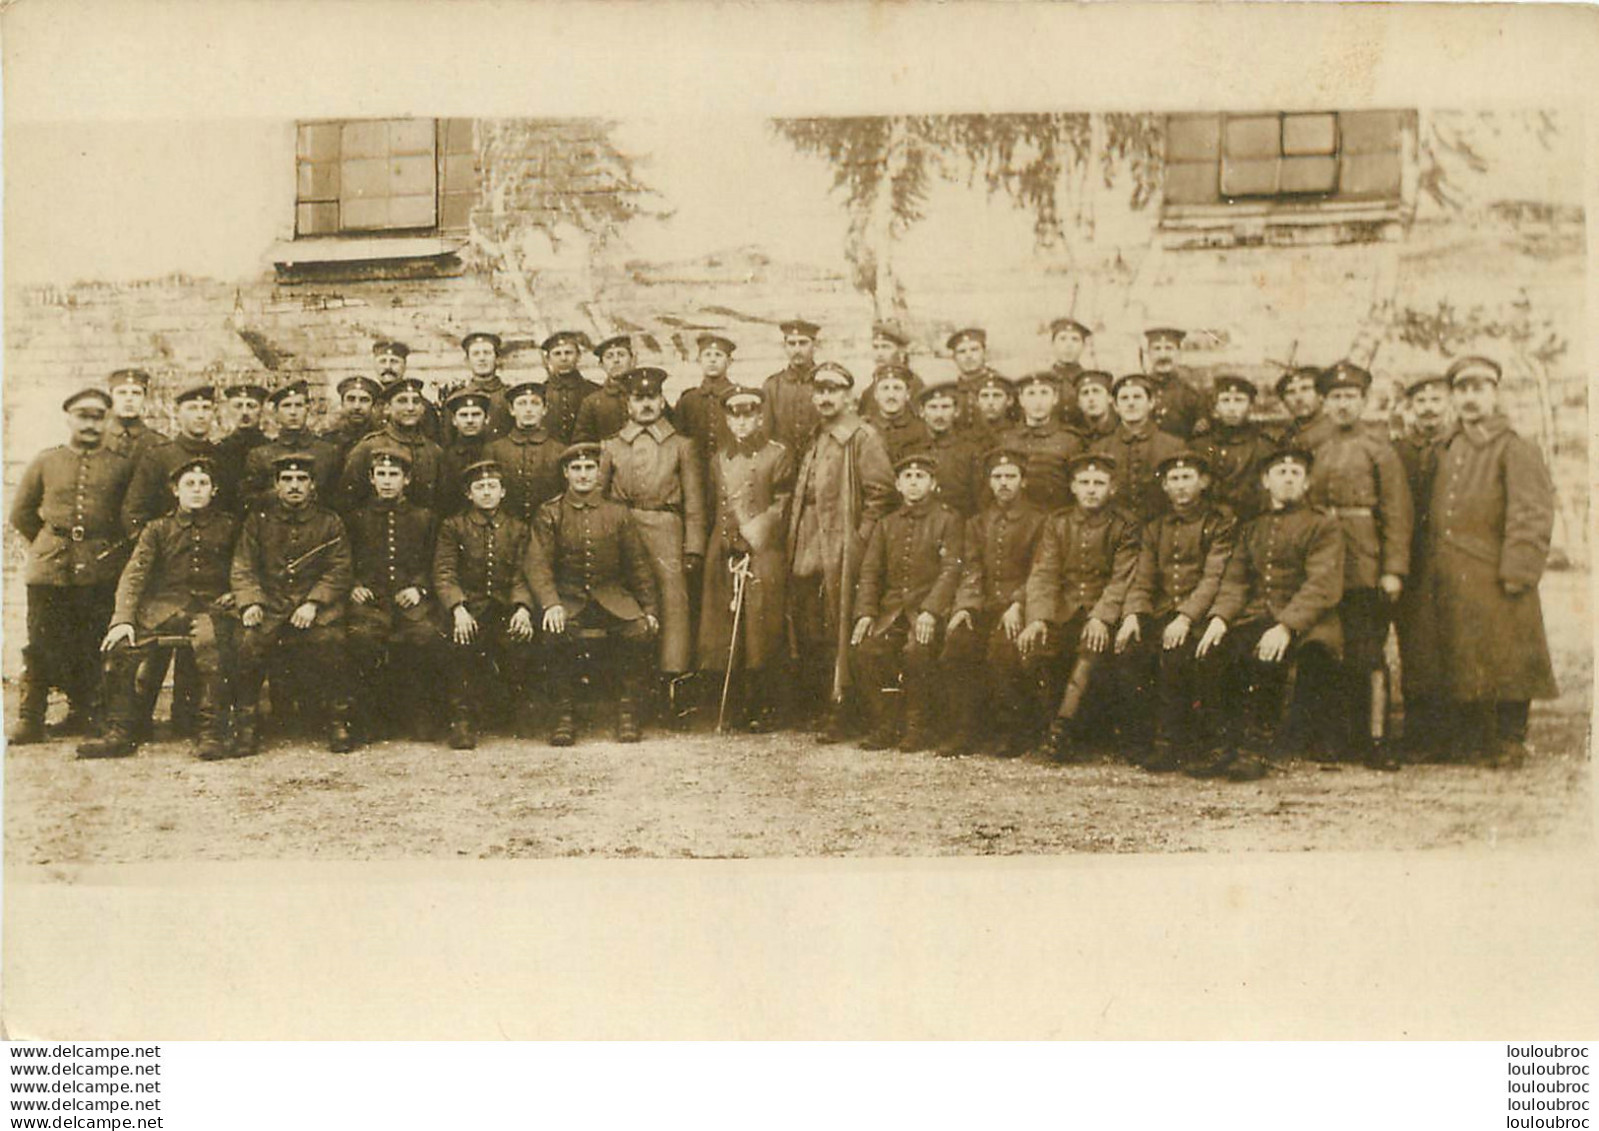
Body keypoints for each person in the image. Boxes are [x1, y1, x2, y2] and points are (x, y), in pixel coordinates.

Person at [1419, 356, 1559, 767]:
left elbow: (1531, 512)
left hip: (1497, 570)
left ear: (1494, 394)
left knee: (1511, 656)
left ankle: (1510, 740)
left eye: (1479, 389)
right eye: (1462, 390)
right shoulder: (1448, 445)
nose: (1469, 398)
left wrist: (1519, 570)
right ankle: (1473, 739)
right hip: (1453, 572)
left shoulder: (1514, 446)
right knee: (1464, 656)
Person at [1194, 447, 1344, 781]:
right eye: (1280, 473)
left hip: (1308, 622)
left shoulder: (1323, 525)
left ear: (1306, 484)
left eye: (1296, 475)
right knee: (1214, 649)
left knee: (1269, 656)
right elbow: (1235, 581)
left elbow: (1322, 585)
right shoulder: (1253, 528)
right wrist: (1219, 619)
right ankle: (1223, 746)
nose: (1288, 480)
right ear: (1266, 481)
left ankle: (1255, 749)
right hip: (1257, 615)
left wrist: (1287, 626)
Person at [77, 456, 238, 761]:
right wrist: (122, 619)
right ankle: (120, 732)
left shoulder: (229, 527)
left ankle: (210, 732)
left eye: (204, 484)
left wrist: (235, 594)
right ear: (175, 490)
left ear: (214, 490)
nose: (197, 490)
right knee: (121, 646)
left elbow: (244, 567)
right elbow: (134, 575)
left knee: (211, 646)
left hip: (210, 609)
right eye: (189, 484)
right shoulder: (157, 529)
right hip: (163, 610)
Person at [7, 388, 135, 743]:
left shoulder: (121, 464)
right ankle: (31, 718)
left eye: (98, 417)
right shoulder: (46, 461)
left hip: (98, 567)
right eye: (83, 416)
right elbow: (21, 513)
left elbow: (129, 517)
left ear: (107, 420)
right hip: (49, 569)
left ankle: (86, 712)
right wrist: (51, 543)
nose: (91, 424)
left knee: (92, 641)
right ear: (69, 418)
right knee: (41, 643)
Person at [1305, 361, 1413, 769]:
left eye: (1351, 397)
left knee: (1368, 652)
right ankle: (1332, 738)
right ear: (1325, 402)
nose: (1343, 405)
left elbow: (1397, 513)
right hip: (1321, 565)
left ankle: (1376, 739)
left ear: (1364, 401)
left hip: (1365, 564)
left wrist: (1392, 570)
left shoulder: (1379, 448)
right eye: (1335, 397)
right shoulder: (1313, 443)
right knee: (1327, 649)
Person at [784, 361, 897, 740]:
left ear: (850, 395)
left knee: (841, 625)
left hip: (843, 544)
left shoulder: (862, 437)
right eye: (820, 391)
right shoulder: (819, 436)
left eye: (834, 390)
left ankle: (847, 708)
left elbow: (881, 493)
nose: (826, 397)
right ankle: (826, 705)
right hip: (809, 540)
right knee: (813, 624)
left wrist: (861, 540)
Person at [523, 443, 660, 746]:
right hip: (568, 600)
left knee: (637, 631)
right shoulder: (550, 512)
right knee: (557, 633)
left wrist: (649, 609)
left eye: (589, 468)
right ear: (565, 473)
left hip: (612, 598)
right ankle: (564, 715)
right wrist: (551, 604)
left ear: (599, 472)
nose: (583, 475)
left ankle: (627, 713)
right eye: (576, 469)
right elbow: (538, 564)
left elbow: (638, 564)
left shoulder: (617, 513)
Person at [1114, 451, 1237, 772]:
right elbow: (1143, 579)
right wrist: (1132, 614)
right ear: (1165, 487)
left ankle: (1209, 745)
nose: (1181, 486)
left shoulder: (1217, 524)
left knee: (1190, 654)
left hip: (1201, 615)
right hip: (1162, 613)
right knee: (1131, 650)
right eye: (1174, 480)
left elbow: (1213, 578)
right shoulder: (1155, 529)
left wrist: (1185, 617)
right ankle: (1151, 742)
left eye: (1187, 478)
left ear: (1204, 482)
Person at [230, 451, 355, 757]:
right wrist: (250, 602)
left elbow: (339, 569)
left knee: (332, 641)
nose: (294, 486)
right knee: (249, 641)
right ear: (276, 484)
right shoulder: (258, 521)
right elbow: (243, 566)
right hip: (271, 603)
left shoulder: (329, 522)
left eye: (302, 479)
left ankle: (337, 719)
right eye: (287, 479)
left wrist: (314, 602)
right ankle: (246, 722)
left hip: (314, 606)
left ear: (313, 484)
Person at [1019, 453, 1141, 761]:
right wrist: (1038, 619)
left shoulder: (1124, 525)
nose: (1091, 489)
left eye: (1099, 483)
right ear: (1073, 487)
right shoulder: (1057, 523)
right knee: (1035, 647)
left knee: (1091, 651)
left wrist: (1101, 617)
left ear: (1112, 489)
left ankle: (1061, 733)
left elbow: (1121, 578)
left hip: (1104, 611)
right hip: (1065, 609)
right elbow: (1044, 573)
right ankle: (1048, 727)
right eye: (1084, 483)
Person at [599, 367, 706, 706]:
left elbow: (694, 501)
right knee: (626, 602)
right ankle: (630, 687)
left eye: (651, 398)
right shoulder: (611, 446)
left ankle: (672, 682)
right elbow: (600, 500)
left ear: (662, 401)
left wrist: (694, 548)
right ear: (627, 403)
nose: (645, 405)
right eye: (638, 398)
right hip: (624, 527)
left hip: (666, 529)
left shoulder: (682, 445)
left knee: (672, 603)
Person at [851, 452, 964, 752]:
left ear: (933, 483)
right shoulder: (886, 524)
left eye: (920, 477)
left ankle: (919, 727)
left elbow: (951, 570)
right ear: (898, 486)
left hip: (926, 612)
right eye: (908, 478)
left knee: (917, 652)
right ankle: (887, 724)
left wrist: (931, 610)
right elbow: (871, 571)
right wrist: (865, 613)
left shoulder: (947, 520)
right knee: (868, 651)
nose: (914, 483)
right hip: (892, 613)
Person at [698, 387, 794, 732]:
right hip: (724, 549)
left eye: (748, 414)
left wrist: (755, 532)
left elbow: (783, 501)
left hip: (761, 550)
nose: (741, 421)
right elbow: (716, 505)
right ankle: (734, 703)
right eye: (735, 415)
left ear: (760, 417)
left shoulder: (777, 454)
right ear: (727, 419)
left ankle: (762, 705)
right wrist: (728, 541)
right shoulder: (718, 458)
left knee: (760, 628)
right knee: (726, 628)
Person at [941, 448, 1048, 757]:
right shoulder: (977, 523)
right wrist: (965, 607)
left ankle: (1011, 732)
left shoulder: (1039, 521)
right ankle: (965, 730)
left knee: (1003, 653)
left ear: (1023, 482)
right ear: (989, 482)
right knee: (957, 646)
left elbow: (1041, 570)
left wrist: (1018, 604)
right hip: (984, 605)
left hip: (1020, 608)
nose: (1004, 483)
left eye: (1011, 477)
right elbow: (971, 568)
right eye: (998, 477)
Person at [343, 447, 446, 745]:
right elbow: (342, 560)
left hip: (412, 602)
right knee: (362, 638)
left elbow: (436, 562)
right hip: (371, 603)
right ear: (371, 479)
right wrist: (353, 585)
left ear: (407, 480)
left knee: (425, 636)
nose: (387, 481)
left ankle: (419, 713)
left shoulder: (425, 518)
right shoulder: (356, 518)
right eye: (381, 475)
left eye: (394, 475)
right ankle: (369, 717)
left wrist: (420, 588)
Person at [433, 459, 537, 748]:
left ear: (503, 492)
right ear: (469, 494)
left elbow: (523, 573)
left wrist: (522, 608)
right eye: (480, 487)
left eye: (493, 486)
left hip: (504, 608)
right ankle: (462, 718)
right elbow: (444, 573)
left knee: (520, 641)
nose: (487, 492)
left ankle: (513, 712)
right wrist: (458, 608)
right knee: (460, 645)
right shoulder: (453, 526)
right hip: (470, 608)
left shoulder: (518, 529)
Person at [1392, 370, 1455, 760]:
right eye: (1421, 402)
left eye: (1435, 401)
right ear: (1410, 409)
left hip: (1454, 561)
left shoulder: (1461, 447)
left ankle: (1458, 733)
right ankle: (1420, 734)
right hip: (1413, 561)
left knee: (1456, 643)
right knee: (1416, 646)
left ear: (1446, 404)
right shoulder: (1399, 450)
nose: (1429, 409)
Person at [124, 383, 230, 535]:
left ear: (214, 413)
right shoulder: (158, 457)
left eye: (206, 408)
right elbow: (134, 513)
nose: (200, 415)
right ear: (177, 412)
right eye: (192, 408)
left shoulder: (224, 457)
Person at [340, 377, 445, 513]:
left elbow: (444, 504)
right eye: (402, 401)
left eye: (416, 402)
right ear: (387, 408)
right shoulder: (368, 447)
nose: (410, 408)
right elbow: (348, 501)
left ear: (423, 409)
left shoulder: (434, 451)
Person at [1091, 374, 1186, 522]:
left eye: (1137, 397)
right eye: (1124, 398)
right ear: (1115, 406)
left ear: (1151, 402)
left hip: (1161, 529)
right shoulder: (1100, 448)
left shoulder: (1174, 446)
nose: (1131, 403)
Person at [243, 381, 338, 512]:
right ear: (276, 412)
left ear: (308, 409)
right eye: (286, 406)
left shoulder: (328, 452)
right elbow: (250, 500)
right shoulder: (260, 455)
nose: (293, 412)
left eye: (298, 405)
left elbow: (338, 499)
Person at [672, 332, 740, 511]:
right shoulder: (689, 400)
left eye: (718, 355)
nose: (712, 360)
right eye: (707, 355)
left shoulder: (737, 397)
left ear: (729, 362)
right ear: (698, 360)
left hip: (731, 475)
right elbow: (678, 440)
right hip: (695, 477)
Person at [1193, 374, 1274, 521]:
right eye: (1225, 400)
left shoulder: (1264, 446)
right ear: (1215, 406)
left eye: (1239, 400)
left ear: (1251, 406)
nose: (1232, 408)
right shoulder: (1199, 445)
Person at [1000, 372, 1084, 511]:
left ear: (1055, 398)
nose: (1038, 402)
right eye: (1031, 394)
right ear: (1021, 400)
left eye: (1044, 393)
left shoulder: (1070, 440)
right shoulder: (1006, 439)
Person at [484, 381, 564, 525]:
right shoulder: (494, 449)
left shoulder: (559, 450)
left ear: (545, 409)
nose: (528, 410)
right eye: (521, 404)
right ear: (511, 410)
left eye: (534, 403)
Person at [910, 384, 981, 517]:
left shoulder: (971, 451)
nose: (939, 415)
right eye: (933, 407)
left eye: (945, 407)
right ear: (921, 411)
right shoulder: (910, 450)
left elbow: (980, 500)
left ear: (957, 411)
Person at [762, 317, 822, 452]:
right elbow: (766, 434)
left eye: (803, 343)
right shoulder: (772, 386)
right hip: (783, 465)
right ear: (785, 347)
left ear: (815, 345)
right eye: (792, 343)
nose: (797, 349)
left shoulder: (825, 382)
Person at [443, 331, 515, 442]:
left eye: (487, 353)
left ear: (497, 358)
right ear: (467, 361)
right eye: (476, 354)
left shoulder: (510, 397)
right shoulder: (455, 399)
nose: (482, 358)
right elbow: (448, 441)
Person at [214, 380, 271, 513]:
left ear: (261, 410)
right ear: (228, 409)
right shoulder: (219, 450)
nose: (245, 412)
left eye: (251, 406)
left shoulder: (271, 448)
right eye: (238, 406)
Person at [1142, 326, 1210, 440]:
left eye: (1169, 348)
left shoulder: (1192, 394)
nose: (1163, 355)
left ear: (1179, 353)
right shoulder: (1138, 390)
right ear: (1148, 353)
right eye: (1157, 349)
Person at [946, 327, 1015, 437]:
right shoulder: (950, 391)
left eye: (974, 350)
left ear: (985, 353)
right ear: (954, 357)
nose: (968, 356)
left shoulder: (1003, 385)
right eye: (962, 351)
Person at [438, 389, 494, 513]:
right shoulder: (445, 457)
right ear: (453, 420)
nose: (470, 420)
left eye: (476, 414)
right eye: (463, 415)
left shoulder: (496, 452)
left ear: (487, 418)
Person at [540, 330, 601, 444]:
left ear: (578, 356)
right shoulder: (540, 394)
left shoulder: (594, 391)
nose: (563, 358)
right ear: (548, 359)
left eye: (568, 353)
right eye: (557, 353)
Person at [573, 334, 635, 443]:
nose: (616, 360)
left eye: (621, 355)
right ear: (601, 365)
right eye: (609, 356)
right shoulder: (591, 403)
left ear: (633, 360)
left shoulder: (649, 396)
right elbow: (583, 443)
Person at [859, 365, 924, 463]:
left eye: (897, 388)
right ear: (876, 394)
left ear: (907, 394)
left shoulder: (922, 429)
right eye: (885, 388)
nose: (891, 396)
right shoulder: (864, 430)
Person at [857, 323, 924, 417]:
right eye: (875, 347)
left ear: (901, 351)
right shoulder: (870, 388)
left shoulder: (913, 383)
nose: (879, 353)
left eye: (885, 347)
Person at [103, 368, 167, 464]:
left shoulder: (160, 443)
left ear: (144, 399)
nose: (129, 399)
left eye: (136, 393)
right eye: (122, 393)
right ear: (110, 397)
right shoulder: (97, 440)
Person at [322, 374, 383, 468]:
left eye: (364, 400)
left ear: (373, 406)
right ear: (342, 404)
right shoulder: (328, 441)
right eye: (351, 399)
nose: (357, 406)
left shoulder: (381, 440)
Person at [1276, 365, 1336, 452]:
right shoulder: (1286, 438)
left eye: (1305, 389)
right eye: (1291, 392)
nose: (1298, 398)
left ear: (1321, 395)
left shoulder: (1337, 431)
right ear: (1284, 402)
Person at [1048, 317, 1092, 428]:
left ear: (1083, 346)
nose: (1069, 345)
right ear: (1053, 344)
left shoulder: (1090, 381)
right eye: (1062, 339)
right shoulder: (1047, 380)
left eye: (1075, 339)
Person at [1070, 370, 1118, 443]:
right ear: (1078, 403)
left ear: (1109, 398)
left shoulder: (1119, 430)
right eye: (1085, 393)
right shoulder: (1074, 436)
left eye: (1096, 391)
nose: (1091, 399)